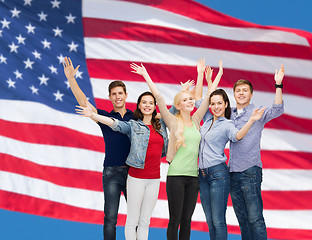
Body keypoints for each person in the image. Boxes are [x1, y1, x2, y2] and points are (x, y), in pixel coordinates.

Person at [130, 60, 220, 240]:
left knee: (187, 220)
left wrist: (202, 74)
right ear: (178, 105)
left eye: (190, 99)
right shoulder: (172, 121)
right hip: (176, 177)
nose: (189, 101)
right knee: (175, 220)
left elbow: (209, 96)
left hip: (193, 178)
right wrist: (145, 75)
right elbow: (160, 99)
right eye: (185, 100)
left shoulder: (196, 120)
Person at [76, 91, 169, 240]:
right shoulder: (133, 124)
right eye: (144, 102)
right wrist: (92, 115)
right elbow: (115, 124)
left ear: (126, 95)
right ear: (138, 105)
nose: (147, 105)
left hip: (151, 178)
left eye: (151, 103)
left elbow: (169, 112)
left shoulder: (158, 124)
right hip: (123, 174)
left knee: (144, 220)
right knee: (116, 219)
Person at [63, 57, 133, 240]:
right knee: (110, 218)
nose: (118, 96)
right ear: (110, 97)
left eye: (120, 93)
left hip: (133, 173)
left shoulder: (136, 117)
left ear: (126, 95)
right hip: (111, 172)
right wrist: (72, 79)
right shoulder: (105, 117)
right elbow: (85, 104)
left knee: (136, 218)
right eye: (114, 94)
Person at [194, 61, 265, 240]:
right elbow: (198, 101)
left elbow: (238, 136)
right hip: (202, 174)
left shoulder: (228, 124)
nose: (216, 106)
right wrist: (201, 75)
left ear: (226, 104)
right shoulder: (208, 117)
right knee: (210, 220)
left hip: (218, 172)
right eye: (213, 104)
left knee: (219, 220)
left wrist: (250, 121)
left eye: (220, 103)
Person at [229, 65, 285, 240]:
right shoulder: (228, 113)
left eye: (245, 90)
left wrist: (278, 85)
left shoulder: (258, 112)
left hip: (250, 171)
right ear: (234, 94)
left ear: (251, 94)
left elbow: (277, 109)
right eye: (238, 90)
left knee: (255, 219)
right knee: (243, 220)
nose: (241, 93)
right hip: (232, 172)